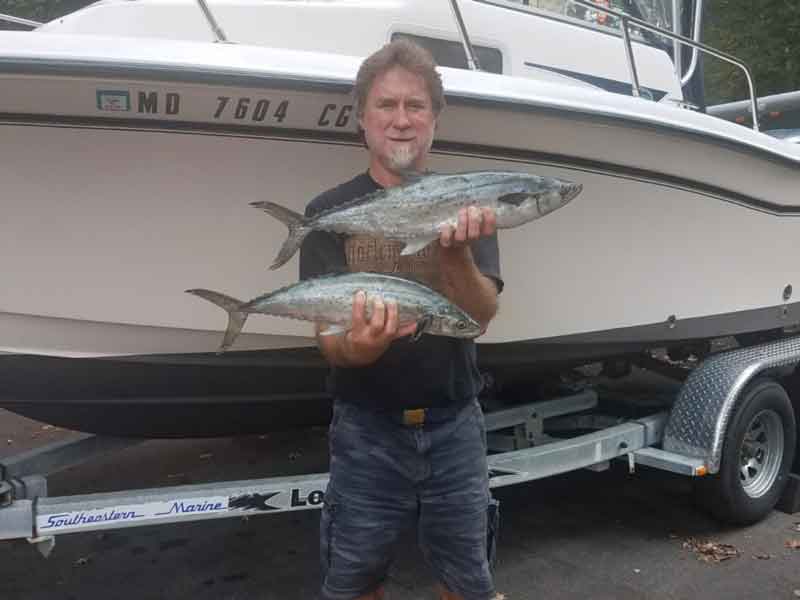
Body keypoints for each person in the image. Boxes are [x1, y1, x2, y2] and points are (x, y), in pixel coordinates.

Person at [299, 38, 503, 600]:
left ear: (435, 118)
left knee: (466, 584)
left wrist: (455, 251)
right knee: (355, 583)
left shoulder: (466, 202)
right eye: (386, 105)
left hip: (454, 424)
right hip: (366, 429)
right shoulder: (327, 214)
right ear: (361, 118)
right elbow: (329, 342)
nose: (401, 120)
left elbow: (480, 317)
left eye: (416, 105)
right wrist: (361, 347)